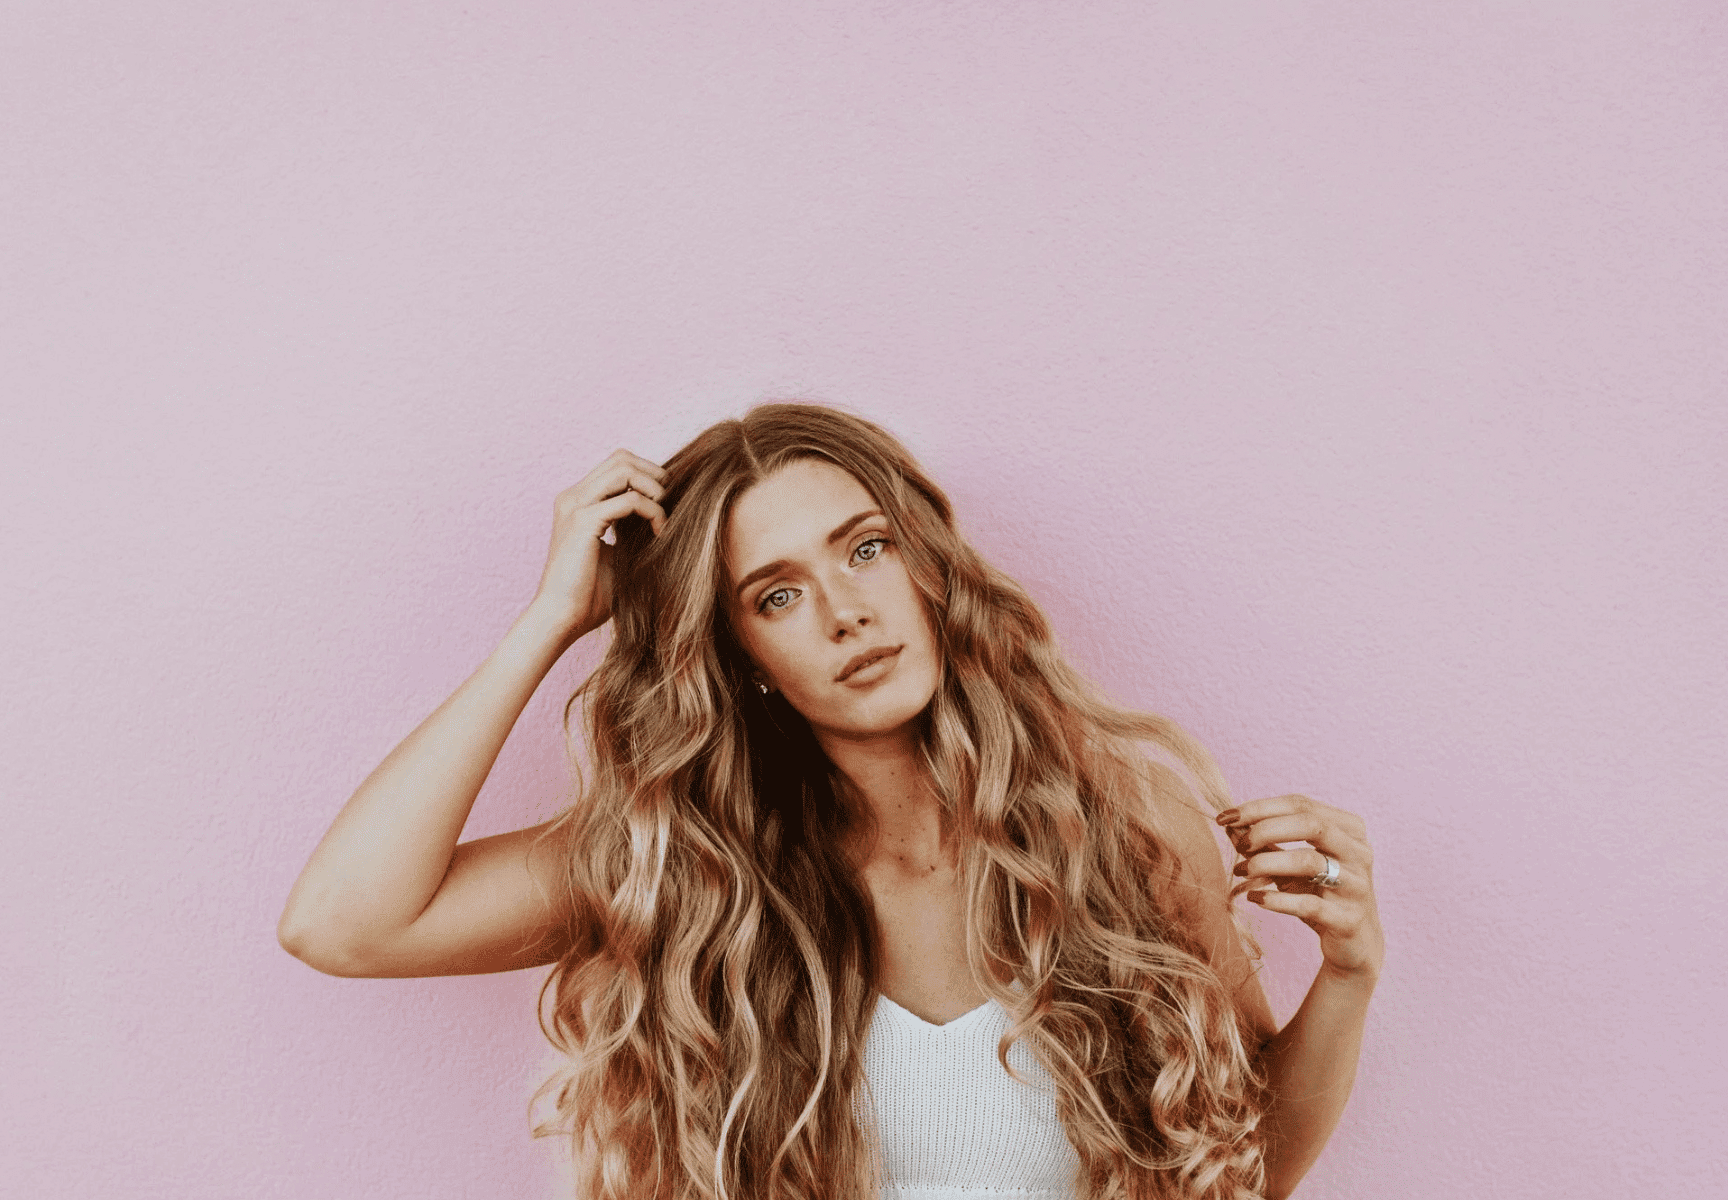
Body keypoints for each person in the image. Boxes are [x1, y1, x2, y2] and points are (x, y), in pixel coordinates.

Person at [278, 403, 1383, 1200]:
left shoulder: (1122, 830)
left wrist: (1347, 974)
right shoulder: (690, 868)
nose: (847, 612)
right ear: (741, 652)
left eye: (866, 549)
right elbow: (345, 923)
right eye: (778, 594)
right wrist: (555, 618)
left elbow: (1248, 1169)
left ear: (928, 566)